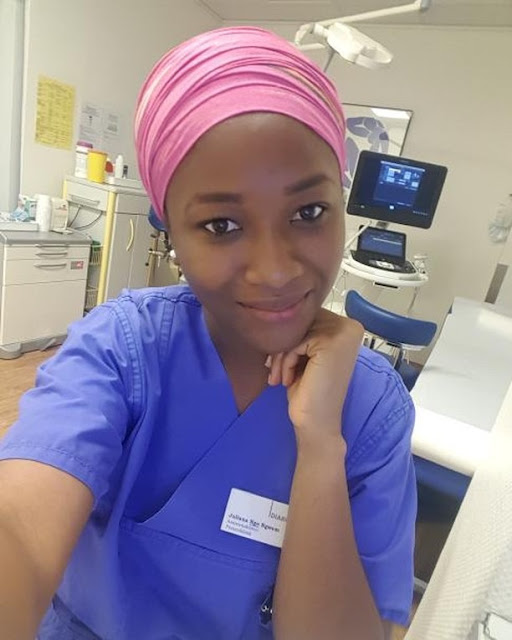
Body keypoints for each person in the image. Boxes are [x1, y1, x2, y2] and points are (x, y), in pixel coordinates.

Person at [0, 26, 416, 640]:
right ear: (170, 234)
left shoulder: (372, 408)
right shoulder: (121, 352)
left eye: (308, 212)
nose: (275, 270)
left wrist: (321, 448)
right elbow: (18, 531)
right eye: (222, 225)